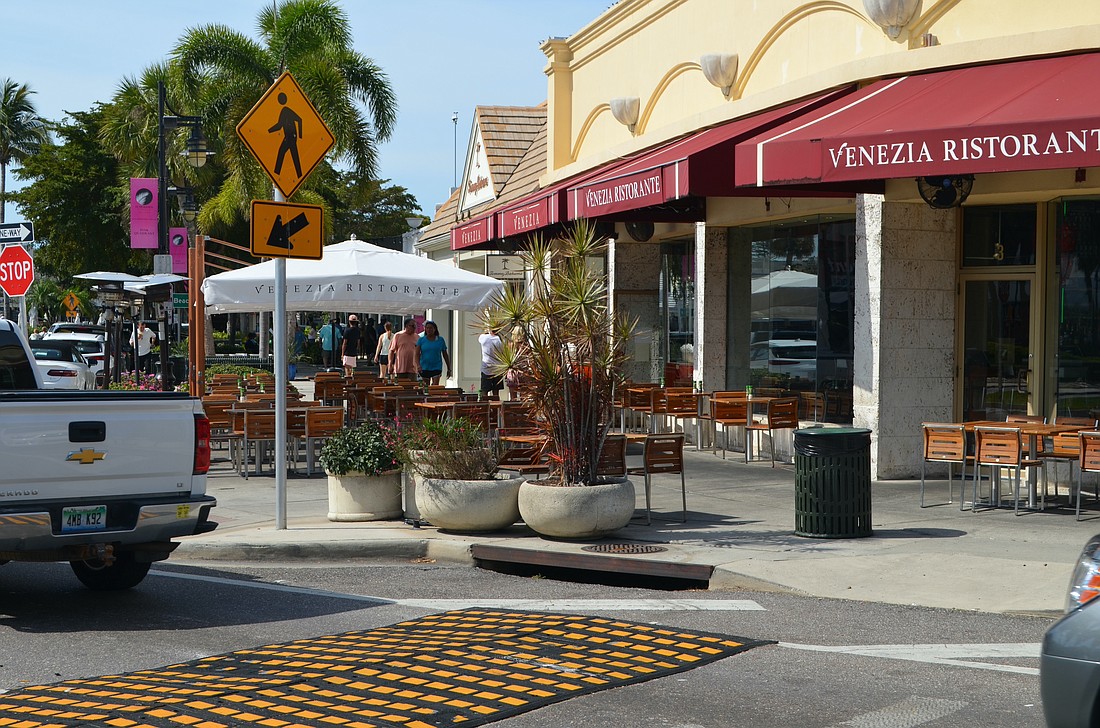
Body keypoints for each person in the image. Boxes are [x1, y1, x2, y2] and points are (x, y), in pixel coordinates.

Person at [415, 320, 451, 386]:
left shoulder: (440, 340)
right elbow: (417, 354)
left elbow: (445, 354)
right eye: (427, 328)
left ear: (435, 329)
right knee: (426, 386)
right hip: (424, 366)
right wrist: (418, 365)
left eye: (431, 328)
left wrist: (449, 368)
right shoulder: (421, 340)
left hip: (436, 366)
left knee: (435, 385)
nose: (429, 330)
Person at [478, 326, 504, 399]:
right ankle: (495, 409)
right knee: (496, 392)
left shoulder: (484, 338)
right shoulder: (499, 340)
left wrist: (486, 331)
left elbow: (480, 337)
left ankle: (485, 408)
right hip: (497, 369)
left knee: (484, 391)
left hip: (486, 369)